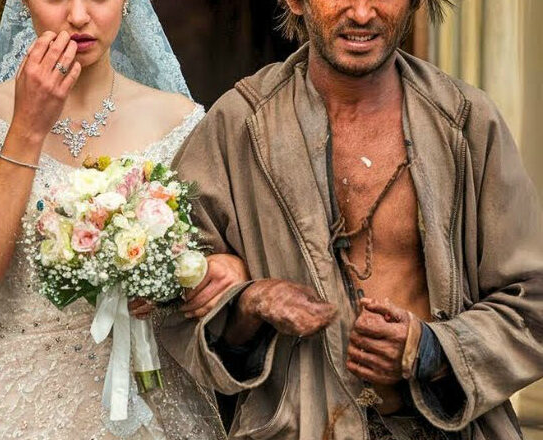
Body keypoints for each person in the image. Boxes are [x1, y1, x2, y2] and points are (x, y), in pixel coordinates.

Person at [163, 0, 543, 439]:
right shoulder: (240, 125)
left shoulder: (465, 121)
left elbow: (533, 299)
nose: (362, 14)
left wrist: (430, 351)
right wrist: (249, 304)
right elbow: (173, 308)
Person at [0, 0, 247, 439]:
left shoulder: (181, 121)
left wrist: (217, 272)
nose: (77, 15)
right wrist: (28, 128)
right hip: (16, 408)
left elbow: (215, 266)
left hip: (153, 400)